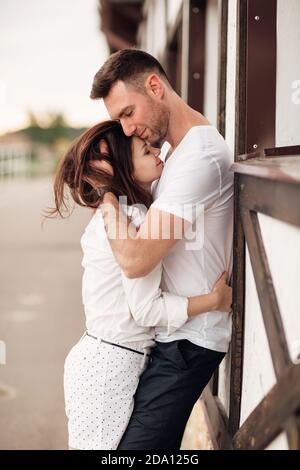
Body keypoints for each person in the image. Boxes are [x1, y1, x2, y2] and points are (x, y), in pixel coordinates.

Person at [49, 120, 232, 450]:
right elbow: (146, 310)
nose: (157, 151)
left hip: (103, 359)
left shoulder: (118, 213)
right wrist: (214, 301)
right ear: (120, 166)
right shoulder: (131, 221)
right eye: (145, 150)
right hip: (108, 366)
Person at [89, 49, 234, 449]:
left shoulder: (199, 158)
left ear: (155, 86)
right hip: (169, 334)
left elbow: (135, 261)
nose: (127, 128)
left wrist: (107, 198)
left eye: (128, 112)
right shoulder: (172, 154)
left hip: (190, 341)